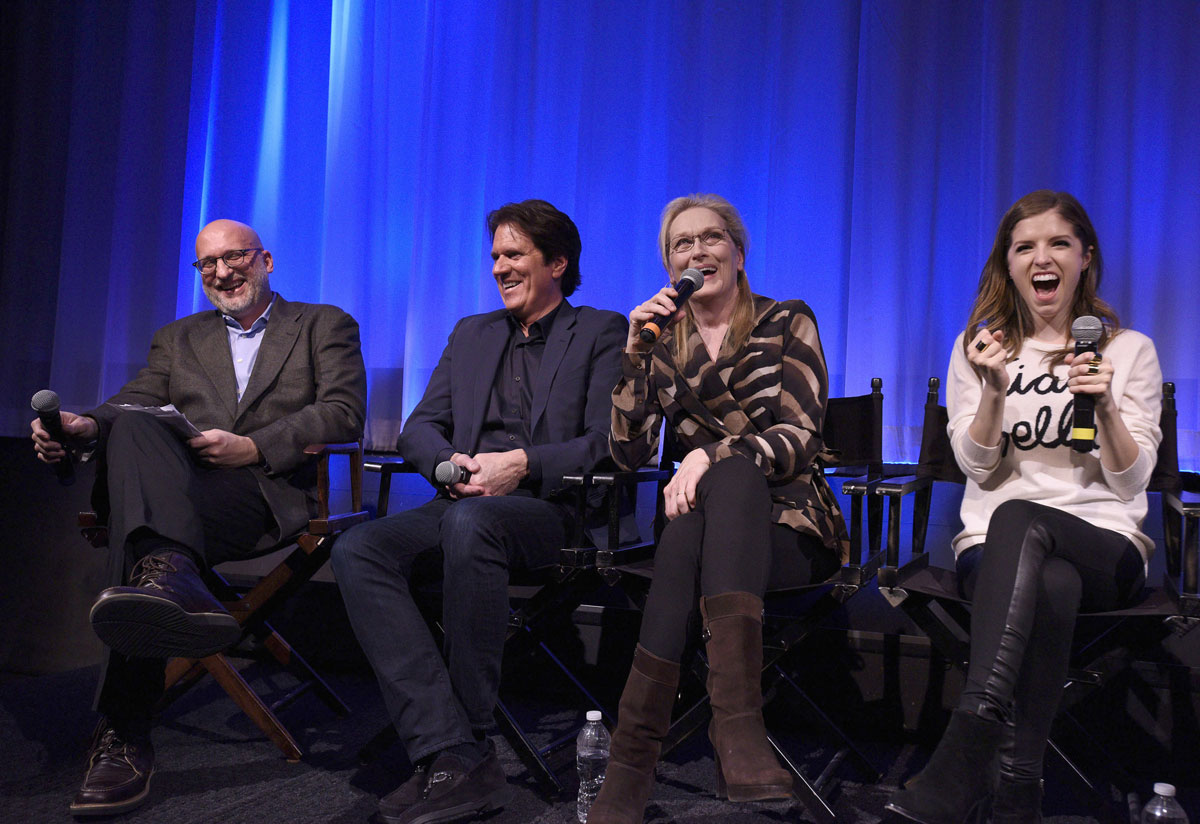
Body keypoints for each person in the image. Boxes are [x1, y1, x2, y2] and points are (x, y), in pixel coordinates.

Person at [30, 219, 367, 817]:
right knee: (132, 425)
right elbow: (129, 402)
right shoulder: (178, 338)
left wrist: (254, 446)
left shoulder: (323, 324)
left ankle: (122, 735)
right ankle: (169, 578)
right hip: (181, 493)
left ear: (265, 259)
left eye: (233, 257)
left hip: (261, 496)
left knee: (140, 538)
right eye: (207, 264)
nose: (221, 272)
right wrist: (83, 427)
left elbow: (343, 413)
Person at [330, 200, 626, 824]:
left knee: (473, 525)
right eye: (494, 256)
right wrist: (448, 467)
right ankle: (450, 750)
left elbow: (609, 443)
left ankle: (465, 739)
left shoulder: (601, 330)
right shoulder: (473, 332)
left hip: (552, 510)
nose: (498, 268)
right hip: (463, 496)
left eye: (513, 255)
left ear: (558, 263)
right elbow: (420, 427)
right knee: (359, 548)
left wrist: (520, 463)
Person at [886, 190, 1162, 824]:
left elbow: (1131, 482)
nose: (1043, 257)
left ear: (1085, 258)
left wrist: (1109, 404)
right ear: (1008, 265)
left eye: (1059, 243)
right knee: (1046, 576)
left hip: (1105, 543)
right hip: (997, 555)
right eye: (1025, 247)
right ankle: (1018, 790)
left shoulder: (1127, 351)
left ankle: (965, 747)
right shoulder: (979, 350)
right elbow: (978, 467)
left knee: (1023, 517)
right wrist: (991, 391)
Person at [588, 194, 849, 823]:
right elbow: (626, 455)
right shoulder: (661, 342)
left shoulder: (787, 320)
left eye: (712, 238)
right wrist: (633, 355)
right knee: (686, 534)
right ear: (669, 261)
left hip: (790, 523)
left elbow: (802, 437)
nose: (698, 252)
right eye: (683, 244)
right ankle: (718, 735)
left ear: (738, 249)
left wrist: (711, 456)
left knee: (722, 489)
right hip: (704, 533)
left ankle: (646, 756)